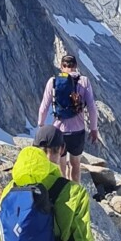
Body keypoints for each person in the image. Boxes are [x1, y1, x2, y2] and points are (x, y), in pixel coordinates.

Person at [38, 53, 99, 183]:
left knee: (61, 164)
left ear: (61, 66)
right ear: (76, 66)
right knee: (75, 163)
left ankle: (62, 192)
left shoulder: (53, 81)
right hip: (78, 131)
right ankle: (75, 192)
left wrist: (41, 125)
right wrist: (94, 129)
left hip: (59, 131)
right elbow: (92, 108)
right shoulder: (84, 81)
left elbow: (44, 106)